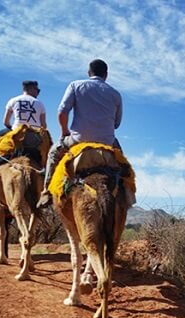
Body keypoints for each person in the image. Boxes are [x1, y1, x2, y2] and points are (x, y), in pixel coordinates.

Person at [36, 59, 123, 208]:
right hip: (107, 142)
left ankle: (46, 193)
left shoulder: (76, 85)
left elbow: (62, 112)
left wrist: (64, 132)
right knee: (122, 164)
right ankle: (124, 195)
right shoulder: (115, 94)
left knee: (53, 154)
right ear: (106, 75)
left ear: (89, 73)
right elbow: (117, 124)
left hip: (78, 139)